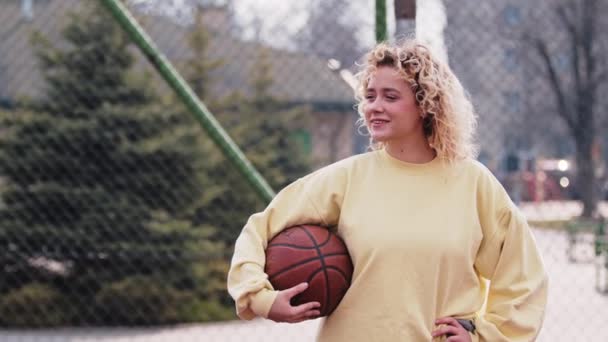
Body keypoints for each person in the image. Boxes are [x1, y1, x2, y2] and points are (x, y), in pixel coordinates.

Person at [227, 39, 548, 342]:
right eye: (369, 96)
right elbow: (260, 229)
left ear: (425, 105)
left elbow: (523, 278)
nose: (374, 107)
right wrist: (261, 298)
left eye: (390, 97)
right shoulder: (346, 179)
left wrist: (484, 333)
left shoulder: (473, 183)